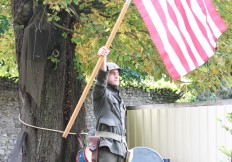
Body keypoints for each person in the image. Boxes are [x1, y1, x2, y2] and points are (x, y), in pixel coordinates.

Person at [92, 46, 127, 162]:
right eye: (112, 73)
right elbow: (101, 79)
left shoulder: (119, 98)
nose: (117, 76)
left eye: (117, 73)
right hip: (107, 148)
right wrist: (103, 58)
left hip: (121, 149)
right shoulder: (101, 94)